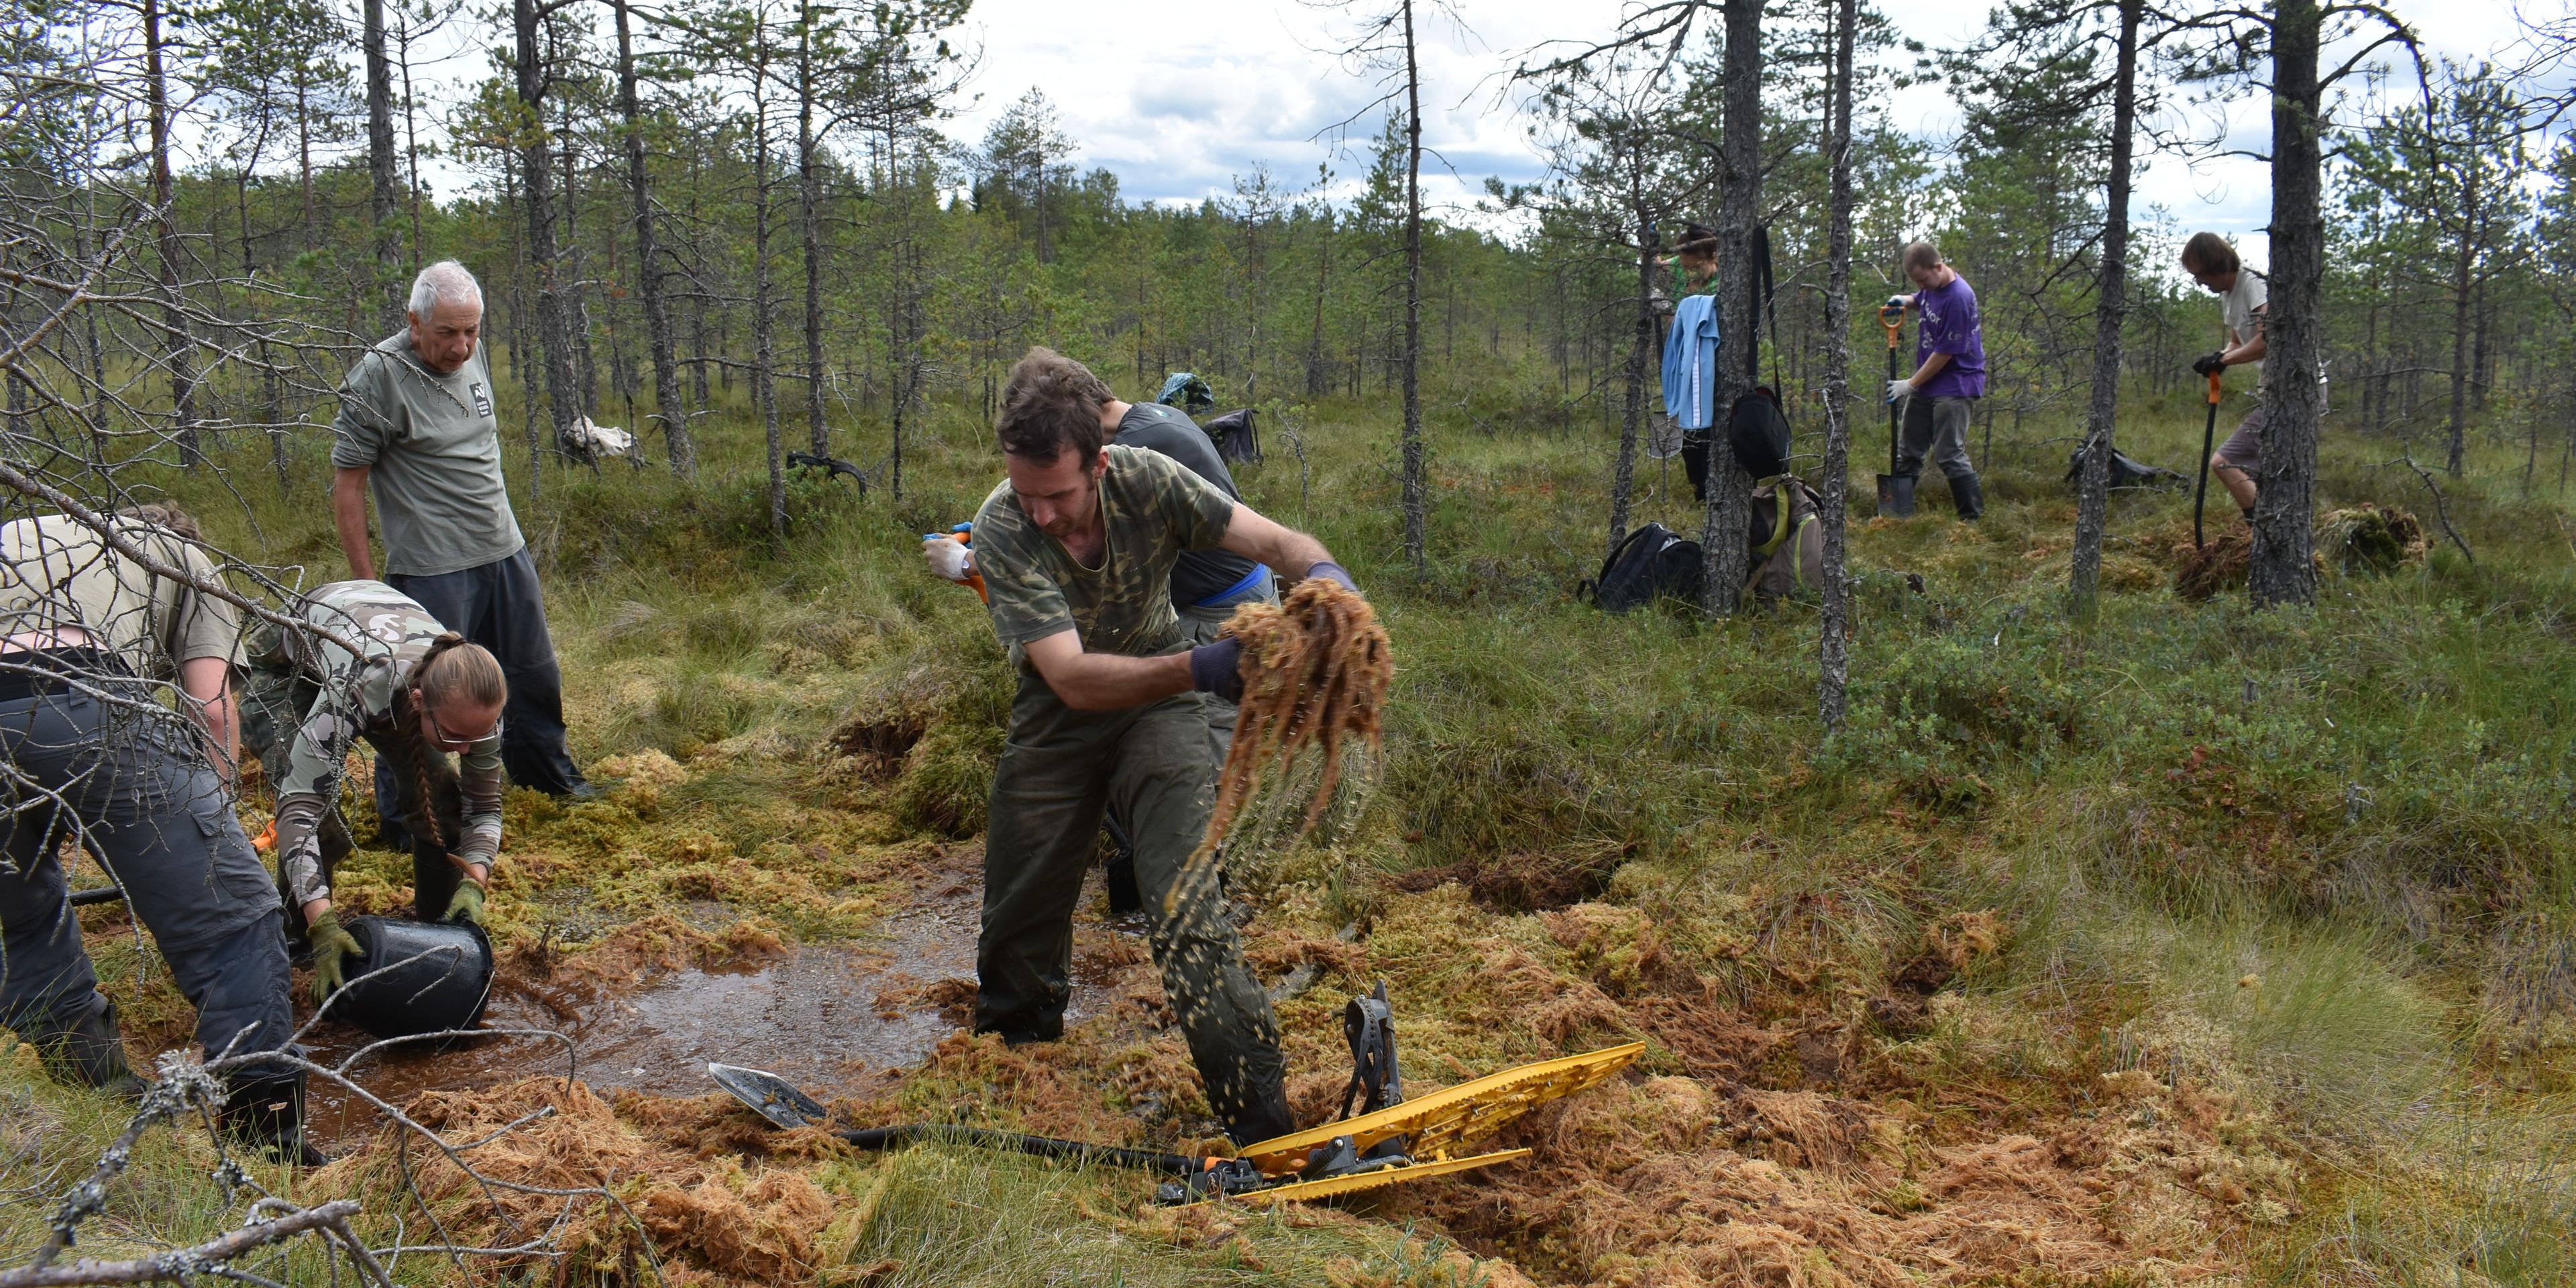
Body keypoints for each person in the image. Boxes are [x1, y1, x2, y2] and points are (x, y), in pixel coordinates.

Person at [941, 346, 1355, 1148]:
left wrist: (1329, 581)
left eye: (1056, 494)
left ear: (1098, 465)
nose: (1041, 514)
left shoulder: (1149, 478)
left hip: (1157, 714)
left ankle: (1263, 1128)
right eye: (1027, 494)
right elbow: (1070, 679)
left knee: (1186, 905)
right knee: (1021, 907)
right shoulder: (1003, 523)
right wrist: (1203, 666)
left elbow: (1275, 541)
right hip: (1061, 718)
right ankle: (1014, 1075)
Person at [0, 506, 317, 1162]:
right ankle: (271, 1147)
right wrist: (214, 817)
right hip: (80, 687)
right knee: (238, 923)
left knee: (26, 914)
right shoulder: (177, 553)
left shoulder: (31, 530)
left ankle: (98, 1103)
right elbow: (209, 704)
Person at [329, 260, 589, 853]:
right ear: (414, 322)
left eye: (472, 331)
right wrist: (371, 591)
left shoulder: (472, 356)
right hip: (430, 566)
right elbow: (349, 483)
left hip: (503, 549)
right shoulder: (378, 377)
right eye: (447, 332)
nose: (461, 346)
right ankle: (411, 823)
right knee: (425, 694)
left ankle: (547, 779)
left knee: (531, 674)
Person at [241, 580, 506, 1010]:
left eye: (475, 739)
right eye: (455, 737)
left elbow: (484, 807)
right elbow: (299, 809)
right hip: (283, 674)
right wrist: (323, 924)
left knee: (444, 804)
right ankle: (301, 945)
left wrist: (474, 883)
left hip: (386, 668)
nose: (464, 751)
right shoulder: (363, 685)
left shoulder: (477, 698)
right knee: (320, 826)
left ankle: (441, 933)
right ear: (419, 703)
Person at [1884, 241, 1988, 520]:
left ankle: (1972, 519)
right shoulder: (1933, 288)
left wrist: (1910, 384)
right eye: (1916, 281)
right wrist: (1906, 300)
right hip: (1929, 382)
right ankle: (1897, 513)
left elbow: (1945, 354)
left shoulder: (1958, 298)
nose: (1922, 285)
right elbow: (1923, 299)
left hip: (1956, 384)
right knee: (1908, 450)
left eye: (1923, 279)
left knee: (1948, 453)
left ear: (1939, 267)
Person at [2182, 231, 2268, 521]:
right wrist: (2217, 359)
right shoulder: (2229, 295)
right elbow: (2238, 342)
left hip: (2298, 393)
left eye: (2201, 275)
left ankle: (2264, 530)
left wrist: (2224, 360)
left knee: (2224, 462)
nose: (2199, 283)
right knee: (2259, 471)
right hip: (2273, 392)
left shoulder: (2253, 285)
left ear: (2217, 266)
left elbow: (2268, 340)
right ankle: (2267, 529)